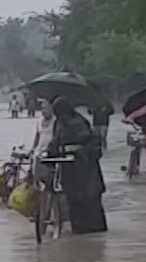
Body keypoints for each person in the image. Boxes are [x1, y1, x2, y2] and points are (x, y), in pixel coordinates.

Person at [45, 97, 108, 234]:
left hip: (85, 167)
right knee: (73, 199)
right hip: (69, 168)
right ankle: (79, 231)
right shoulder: (59, 123)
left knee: (89, 199)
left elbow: (90, 142)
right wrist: (49, 155)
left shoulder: (79, 122)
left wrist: (77, 151)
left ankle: (94, 232)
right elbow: (55, 143)